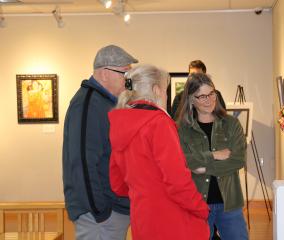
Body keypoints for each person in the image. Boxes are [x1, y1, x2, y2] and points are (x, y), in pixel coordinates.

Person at [108, 65, 210, 240]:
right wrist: (201, 208)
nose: (166, 95)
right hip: (173, 222)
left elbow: (117, 183)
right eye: (165, 90)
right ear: (156, 90)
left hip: (143, 220)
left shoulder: (120, 123)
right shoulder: (159, 123)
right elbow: (177, 181)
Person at [62, 45, 138, 240]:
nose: (128, 80)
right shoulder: (87, 104)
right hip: (100, 214)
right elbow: (83, 162)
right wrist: (99, 210)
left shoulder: (106, 103)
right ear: (104, 73)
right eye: (124, 73)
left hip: (111, 209)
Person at [177, 73, 249, 240]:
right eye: (202, 96)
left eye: (211, 94)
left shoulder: (231, 124)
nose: (208, 100)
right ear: (191, 99)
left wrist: (203, 167)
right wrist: (214, 155)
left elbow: (238, 159)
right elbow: (183, 161)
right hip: (197, 204)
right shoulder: (181, 129)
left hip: (230, 203)